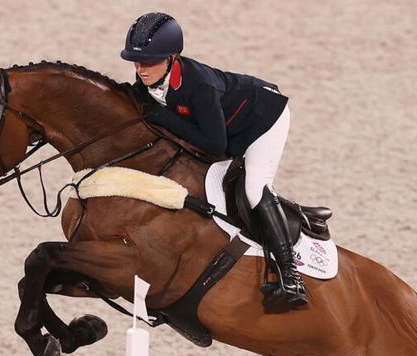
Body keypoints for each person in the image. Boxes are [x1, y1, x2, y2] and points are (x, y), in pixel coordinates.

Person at [120, 11, 306, 310]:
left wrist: (162, 116)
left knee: (255, 187)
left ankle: (290, 276)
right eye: (136, 61)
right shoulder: (152, 76)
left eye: (150, 61)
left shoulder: (199, 86)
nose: (141, 69)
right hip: (227, 121)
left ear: (173, 57)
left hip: (263, 119)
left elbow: (214, 145)